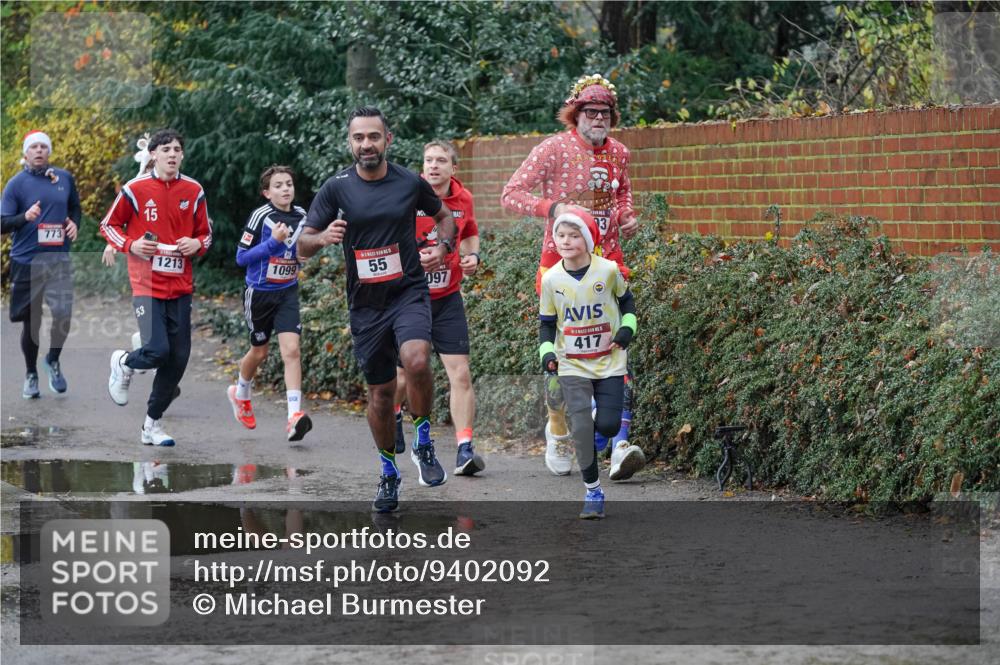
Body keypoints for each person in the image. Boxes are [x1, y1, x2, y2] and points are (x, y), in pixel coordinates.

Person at [297, 107, 457, 513]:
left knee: (417, 359)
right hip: (366, 305)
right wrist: (323, 238)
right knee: (382, 395)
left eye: (373, 136)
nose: (366, 144)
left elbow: (445, 216)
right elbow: (302, 244)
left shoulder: (408, 181)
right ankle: (388, 472)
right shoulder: (336, 189)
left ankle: (422, 439)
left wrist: (442, 247)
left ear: (388, 139)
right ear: (350, 143)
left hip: (408, 292)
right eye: (358, 138)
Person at [501, 73, 645, 481]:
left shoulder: (619, 152)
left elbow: (622, 194)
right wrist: (552, 208)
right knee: (566, 356)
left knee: (616, 348)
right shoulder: (553, 149)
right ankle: (559, 431)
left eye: (605, 113)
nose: (598, 118)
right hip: (558, 264)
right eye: (591, 112)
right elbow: (511, 193)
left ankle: (618, 446)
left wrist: (626, 216)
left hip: (608, 262)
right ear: (575, 115)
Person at [100, 128, 212, 447]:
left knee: (178, 358)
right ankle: (123, 361)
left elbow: (206, 235)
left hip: (180, 284)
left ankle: (152, 424)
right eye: (166, 149)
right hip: (146, 283)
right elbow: (109, 226)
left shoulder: (194, 190)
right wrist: (131, 245)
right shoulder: (135, 189)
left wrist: (197, 244)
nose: (173, 154)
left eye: (177, 149)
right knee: (158, 350)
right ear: (153, 155)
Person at [538, 209, 638, 518]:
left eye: (573, 235)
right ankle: (593, 492)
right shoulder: (551, 279)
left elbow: (628, 304)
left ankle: (591, 440)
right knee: (580, 428)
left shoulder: (608, 270)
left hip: (609, 361)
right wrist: (547, 354)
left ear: (588, 238)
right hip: (572, 365)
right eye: (560, 235)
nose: (566, 241)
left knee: (607, 426)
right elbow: (546, 324)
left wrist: (626, 330)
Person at [393, 140, 484, 476]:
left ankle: (464, 449)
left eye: (441, 160)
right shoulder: (406, 193)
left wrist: (473, 256)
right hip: (408, 298)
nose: (433, 166)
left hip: (447, 298)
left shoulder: (464, 199)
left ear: (453, 168)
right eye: (428, 160)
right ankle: (394, 417)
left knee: (460, 373)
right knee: (402, 377)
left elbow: (471, 233)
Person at [226, 165, 312, 442]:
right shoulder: (260, 216)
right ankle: (241, 394)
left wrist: (303, 256)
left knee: (292, 351)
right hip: (259, 293)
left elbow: (300, 248)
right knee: (259, 353)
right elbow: (241, 258)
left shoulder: (301, 216)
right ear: (267, 192)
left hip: (287, 291)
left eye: (289, 183)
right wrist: (273, 243)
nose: (285, 188)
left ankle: (294, 417)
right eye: (278, 185)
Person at [1, 130, 80, 399]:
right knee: (31, 323)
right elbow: (2, 224)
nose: (38, 151)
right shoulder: (16, 184)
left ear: (49, 152)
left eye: (43, 147)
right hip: (26, 261)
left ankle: (53, 360)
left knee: (63, 315)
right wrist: (25, 216)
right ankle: (31, 373)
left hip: (58, 259)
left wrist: (74, 223)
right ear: (25, 153)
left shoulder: (64, 178)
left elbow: (75, 208)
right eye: (33, 147)